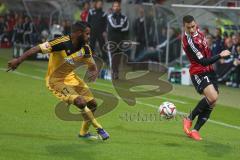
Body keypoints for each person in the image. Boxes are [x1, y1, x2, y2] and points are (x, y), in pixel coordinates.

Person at [7, 21, 110, 140]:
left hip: (72, 78)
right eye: (87, 34)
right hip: (56, 81)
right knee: (80, 102)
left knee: (93, 104)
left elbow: (91, 63)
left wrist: (94, 71)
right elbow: (36, 49)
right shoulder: (60, 42)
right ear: (78, 33)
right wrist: (18, 61)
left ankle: (83, 133)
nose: (89, 36)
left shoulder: (85, 48)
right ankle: (100, 128)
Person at [182, 15, 230, 141]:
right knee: (212, 97)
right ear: (184, 26)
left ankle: (195, 130)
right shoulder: (189, 41)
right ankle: (189, 118)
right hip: (199, 72)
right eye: (189, 27)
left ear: (195, 23)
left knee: (213, 102)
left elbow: (207, 52)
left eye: (193, 26)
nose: (192, 29)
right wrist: (220, 55)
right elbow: (203, 61)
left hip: (209, 71)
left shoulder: (199, 33)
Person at [107, 0, 129, 79]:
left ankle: (116, 72)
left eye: (118, 6)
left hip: (121, 40)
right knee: (113, 57)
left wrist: (120, 28)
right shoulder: (110, 17)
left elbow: (126, 28)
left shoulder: (124, 17)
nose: (116, 7)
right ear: (112, 8)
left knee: (118, 57)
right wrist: (121, 27)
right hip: (112, 40)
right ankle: (113, 72)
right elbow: (113, 26)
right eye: (115, 6)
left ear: (120, 7)